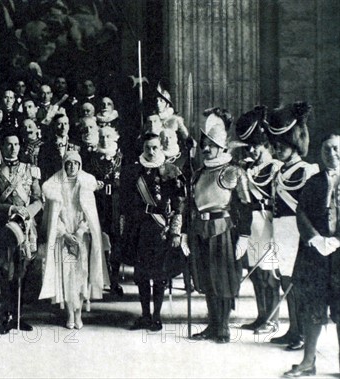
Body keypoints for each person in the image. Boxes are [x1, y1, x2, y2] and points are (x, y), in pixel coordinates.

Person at [188, 108, 252, 344]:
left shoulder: (232, 171)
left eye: (212, 144)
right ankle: (212, 324)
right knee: (206, 279)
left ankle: (223, 326)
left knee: (222, 280)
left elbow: (245, 206)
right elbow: (191, 206)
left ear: (222, 147)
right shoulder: (198, 174)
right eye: (204, 144)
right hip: (200, 229)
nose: (206, 148)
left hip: (223, 230)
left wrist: (244, 235)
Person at [283, 133, 340, 376]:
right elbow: (301, 212)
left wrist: (337, 241)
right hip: (315, 256)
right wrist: (315, 239)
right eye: (327, 150)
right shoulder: (313, 182)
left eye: (336, 149)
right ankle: (308, 362)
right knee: (312, 308)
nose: (332, 154)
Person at [120, 133, 186, 331]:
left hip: (161, 229)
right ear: (143, 148)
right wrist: (124, 231)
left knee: (159, 275)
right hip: (138, 229)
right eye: (147, 147)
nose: (151, 151)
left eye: (155, 147)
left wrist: (175, 232)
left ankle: (156, 317)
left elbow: (179, 205)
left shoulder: (172, 171)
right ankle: (145, 315)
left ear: (161, 147)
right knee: (141, 275)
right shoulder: (132, 171)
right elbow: (124, 203)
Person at [267, 102, 319, 351]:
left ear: (294, 144)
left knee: (298, 285)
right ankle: (292, 329)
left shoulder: (307, 171)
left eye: (281, 146)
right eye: (274, 146)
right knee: (285, 282)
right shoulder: (281, 170)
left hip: (297, 233)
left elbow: (309, 209)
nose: (276, 150)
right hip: (281, 231)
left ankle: (302, 335)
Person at [39, 151, 106, 329]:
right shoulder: (56, 185)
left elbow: (89, 215)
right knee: (67, 275)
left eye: (75, 163)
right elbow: (55, 216)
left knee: (81, 274)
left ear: (80, 165)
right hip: (64, 237)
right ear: (64, 165)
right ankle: (70, 313)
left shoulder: (85, 185)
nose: (71, 167)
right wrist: (65, 234)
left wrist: (80, 232)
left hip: (81, 238)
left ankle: (79, 313)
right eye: (68, 163)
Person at [0, 132, 43, 334]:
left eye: (16, 144)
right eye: (9, 144)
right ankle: (5, 315)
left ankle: (19, 315)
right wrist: (9, 210)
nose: (13, 148)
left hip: (26, 228)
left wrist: (28, 212)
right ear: (3, 146)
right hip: (4, 229)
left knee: (23, 271)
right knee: (5, 272)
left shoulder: (30, 171)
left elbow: (38, 200)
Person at [234, 106, 282, 335]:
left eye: (256, 146)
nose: (252, 150)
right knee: (255, 273)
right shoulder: (248, 168)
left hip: (267, 222)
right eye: (250, 146)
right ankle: (261, 316)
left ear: (267, 146)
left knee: (269, 274)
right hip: (251, 223)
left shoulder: (275, 168)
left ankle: (273, 320)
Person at [84, 126, 124, 296]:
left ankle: (114, 281)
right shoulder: (92, 159)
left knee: (116, 242)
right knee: (96, 239)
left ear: (114, 138)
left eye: (108, 136)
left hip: (116, 205)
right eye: (101, 136)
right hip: (97, 203)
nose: (104, 139)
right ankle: (96, 280)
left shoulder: (122, 158)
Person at [37, 114, 80, 182]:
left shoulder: (76, 145)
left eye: (65, 124)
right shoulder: (46, 147)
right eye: (59, 124)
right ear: (54, 126)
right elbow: (43, 170)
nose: (63, 127)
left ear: (68, 126)